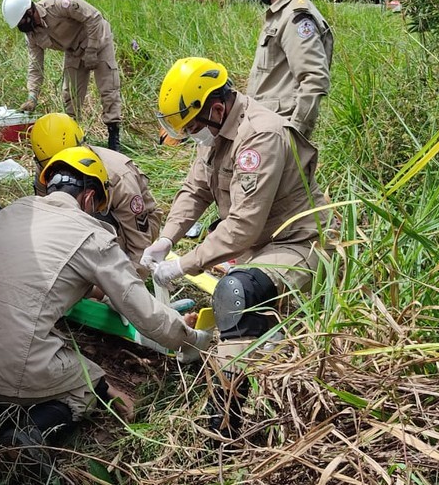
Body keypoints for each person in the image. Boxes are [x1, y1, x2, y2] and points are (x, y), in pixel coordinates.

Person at [0, 146, 212, 447]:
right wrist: (191, 339)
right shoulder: (93, 236)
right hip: (12, 368)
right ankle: (27, 433)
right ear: (90, 198)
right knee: (90, 382)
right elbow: (144, 312)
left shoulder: (11, 213)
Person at [141, 57, 330, 435]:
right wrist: (166, 238)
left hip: (297, 241)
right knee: (239, 291)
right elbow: (194, 190)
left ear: (215, 107)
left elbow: (242, 226)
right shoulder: (214, 131)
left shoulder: (259, 136)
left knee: (236, 292)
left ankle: (224, 423)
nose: (192, 135)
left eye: (193, 127)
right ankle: (258, 351)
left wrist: (184, 264)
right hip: (257, 245)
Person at [30, 113, 160, 273]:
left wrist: (122, 291)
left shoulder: (117, 176)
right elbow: (48, 218)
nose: (63, 177)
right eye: (57, 172)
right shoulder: (45, 170)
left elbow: (140, 246)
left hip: (130, 226)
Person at [2, 0, 122, 151]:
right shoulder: (32, 35)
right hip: (74, 51)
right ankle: (74, 138)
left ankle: (114, 137)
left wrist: (92, 50)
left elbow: (94, 17)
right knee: (70, 97)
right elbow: (35, 66)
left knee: (108, 88)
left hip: (97, 39)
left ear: (29, 11)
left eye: (21, 22)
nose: (21, 27)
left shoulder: (59, 4)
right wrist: (32, 95)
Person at [243, 0, 334, 139]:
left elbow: (315, 78)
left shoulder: (296, 18)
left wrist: (295, 135)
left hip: (276, 134)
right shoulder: (282, 13)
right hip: (264, 127)